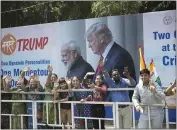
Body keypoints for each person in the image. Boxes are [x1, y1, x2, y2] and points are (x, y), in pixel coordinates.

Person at [86, 22, 136, 100]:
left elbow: (119, 87)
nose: (89, 46)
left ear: (101, 39)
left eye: (91, 41)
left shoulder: (120, 56)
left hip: (117, 107)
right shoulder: (105, 56)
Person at [100, 60, 136, 128]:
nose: (116, 75)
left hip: (127, 108)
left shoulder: (124, 80)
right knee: (118, 128)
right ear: (112, 76)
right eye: (114, 75)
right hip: (116, 108)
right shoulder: (111, 82)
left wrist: (128, 76)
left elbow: (133, 83)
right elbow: (106, 75)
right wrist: (102, 68)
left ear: (119, 74)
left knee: (127, 128)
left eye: (117, 74)